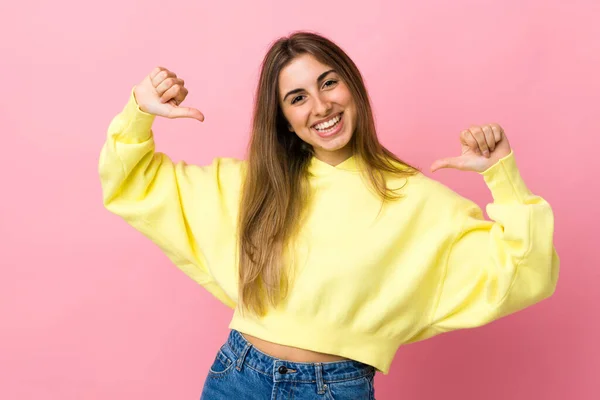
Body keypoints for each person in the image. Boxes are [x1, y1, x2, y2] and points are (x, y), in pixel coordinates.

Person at [98, 32, 559, 399]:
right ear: (283, 118)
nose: (320, 107)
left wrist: (502, 175)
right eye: (296, 98)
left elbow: (524, 274)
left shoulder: (418, 201)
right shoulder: (250, 186)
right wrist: (139, 112)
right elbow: (131, 183)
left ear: (352, 86)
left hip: (335, 389)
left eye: (328, 82)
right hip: (237, 377)